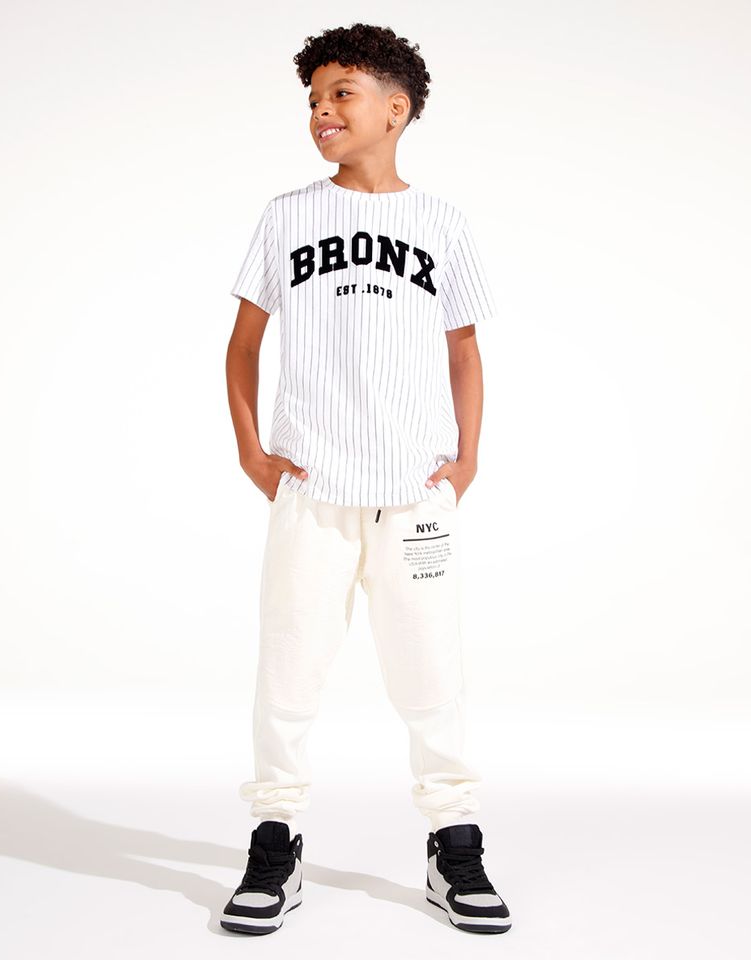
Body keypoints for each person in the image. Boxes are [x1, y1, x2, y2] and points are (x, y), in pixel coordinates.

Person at [220, 22, 511, 936]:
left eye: (340, 94)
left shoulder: (441, 224)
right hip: (311, 492)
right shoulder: (287, 216)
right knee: (288, 674)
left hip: (416, 496)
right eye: (312, 100)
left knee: (431, 675)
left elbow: (465, 349)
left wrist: (466, 460)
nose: (321, 112)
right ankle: (276, 838)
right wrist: (252, 452)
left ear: (397, 108)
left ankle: (453, 842)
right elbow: (243, 345)